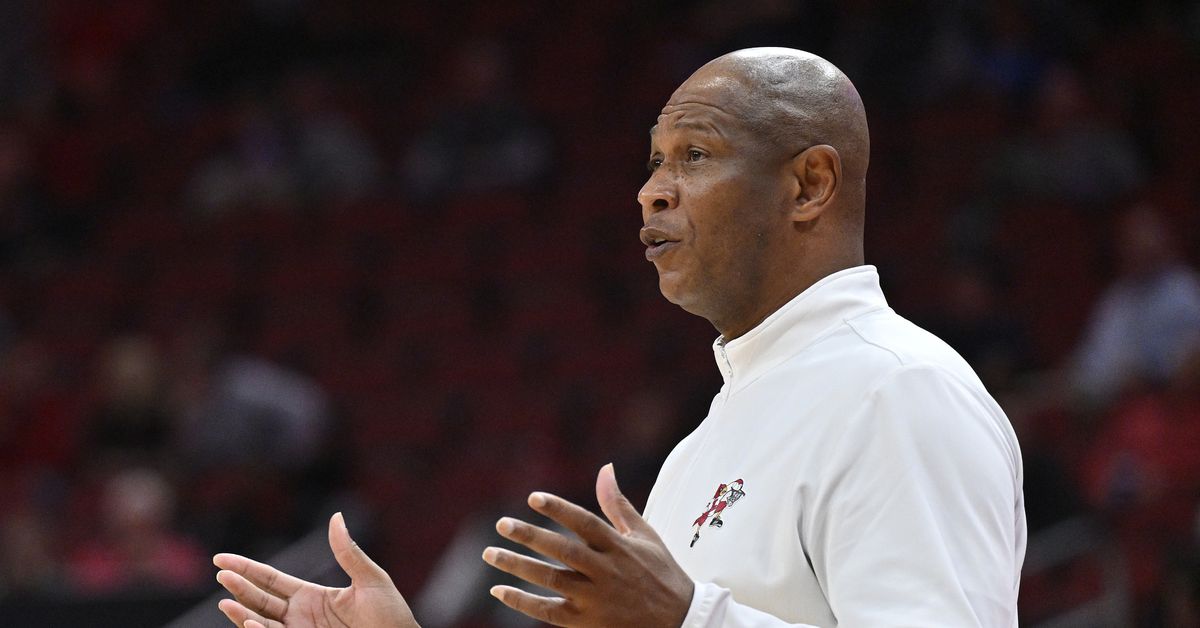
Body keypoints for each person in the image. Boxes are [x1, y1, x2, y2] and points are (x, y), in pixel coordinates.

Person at [212, 47, 1026, 627]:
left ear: (809, 184)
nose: (651, 193)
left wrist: (689, 619)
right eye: (653, 162)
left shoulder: (899, 391)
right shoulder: (697, 452)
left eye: (694, 155)